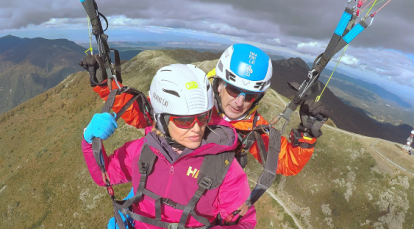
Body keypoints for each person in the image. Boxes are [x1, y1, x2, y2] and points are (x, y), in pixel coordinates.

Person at [82, 64, 256, 229]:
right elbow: (105, 176)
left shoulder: (224, 167)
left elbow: (245, 225)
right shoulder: (143, 151)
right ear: (162, 119)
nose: (196, 128)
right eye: (184, 120)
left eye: (202, 117)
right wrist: (90, 141)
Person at [84, 43, 329, 178]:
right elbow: (144, 113)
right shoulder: (192, 98)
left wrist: (306, 135)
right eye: (233, 90)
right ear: (220, 84)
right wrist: (105, 87)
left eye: (250, 96)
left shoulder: (253, 127)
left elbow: (284, 163)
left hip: (202, 194)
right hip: (161, 176)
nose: (239, 102)